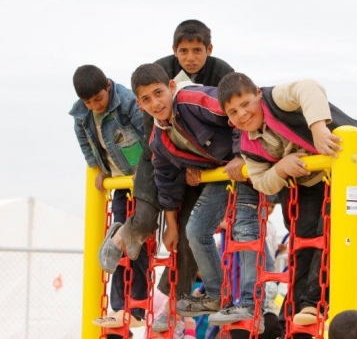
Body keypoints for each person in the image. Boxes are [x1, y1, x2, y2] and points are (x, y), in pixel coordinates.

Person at [217, 73, 357, 335]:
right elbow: (262, 181)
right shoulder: (249, 143)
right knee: (303, 239)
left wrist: (318, 127)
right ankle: (293, 313)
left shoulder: (276, 100)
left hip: (352, 161)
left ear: (258, 95)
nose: (242, 114)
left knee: (331, 232)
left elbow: (309, 87)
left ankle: (315, 303)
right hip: (310, 178)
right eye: (234, 112)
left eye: (246, 104)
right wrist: (281, 169)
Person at [97, 19, 235, 333]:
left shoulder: (220, 73)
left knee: (188, 234)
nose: (190, 57)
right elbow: (155, 133)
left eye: (197, 50)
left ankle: (174, 303)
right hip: (161, 154)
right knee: (145, 217)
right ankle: (122, 235)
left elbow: (232, 112)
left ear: (208, 50)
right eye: (183, 51)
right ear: (174, 51)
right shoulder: (159, 71)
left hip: (202, 164)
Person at [131, 63, 264, 334]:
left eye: (158, 93)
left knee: (244, 228)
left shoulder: (193, 99)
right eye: (146, 100)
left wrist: (241, 153)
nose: (155, 103)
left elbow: (235, 113)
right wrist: (170, 224)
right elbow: (166, 182)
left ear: (171, 87)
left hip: (250, 161)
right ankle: (215, 294)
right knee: (195, 230)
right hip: (222, 174)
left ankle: (251, 304)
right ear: (139, 104)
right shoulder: (159, 139)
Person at [69, 65, 149, 336]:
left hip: (141, 180)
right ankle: (118, 307)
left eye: (98, 100)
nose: (95, 106)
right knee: (118, 245)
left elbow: (149, 135)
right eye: (89, 103)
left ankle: (137, 307)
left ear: (107, 86)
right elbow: (84, 142)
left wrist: (147, 171)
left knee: (137, 242)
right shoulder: (81, 115)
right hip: (119, 182)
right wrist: (97, 168)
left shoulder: (127, 102)